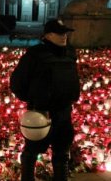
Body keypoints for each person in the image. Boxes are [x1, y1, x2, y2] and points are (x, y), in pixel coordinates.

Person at [10, 19, 81, 181]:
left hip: (64, 112)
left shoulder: (70, 53)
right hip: (41, 113)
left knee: (62, 153)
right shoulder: (35, 55)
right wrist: (34, 99)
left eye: (65, 33)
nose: (64, 36)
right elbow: (17, 82)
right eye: (59, 33)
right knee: (32, 151)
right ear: (48, 35)